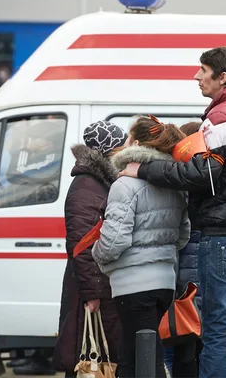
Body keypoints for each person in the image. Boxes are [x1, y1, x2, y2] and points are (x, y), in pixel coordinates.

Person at [119, 47, 226, 377]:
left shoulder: (223, 117)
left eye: (203, 70)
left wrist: (144, 170)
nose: (196, 76)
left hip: (224, 238)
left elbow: (200, 175)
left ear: (222, 77)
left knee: (218, 332)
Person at [92, 115, 191, 378]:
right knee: (131, 356)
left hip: (133, 285)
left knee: (147, 358)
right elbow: (183, 235)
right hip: (164, 283)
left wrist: (98, 256)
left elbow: (114, 240)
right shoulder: (174, 184)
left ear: (134, 142)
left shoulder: (124, 184)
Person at [52, 120, 128, 378]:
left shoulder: (98, 181)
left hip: (98, 285)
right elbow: (80, 245)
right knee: (89, 358)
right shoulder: (86, 187)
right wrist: (93, 293)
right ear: (108, 150)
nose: (125, 151)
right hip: (93, 291)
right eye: (121, 146)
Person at [164, 120, 203, 378]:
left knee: (175, 340)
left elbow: (181, 234)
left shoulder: (183, 181)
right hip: (201, 277)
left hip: (183, 278)